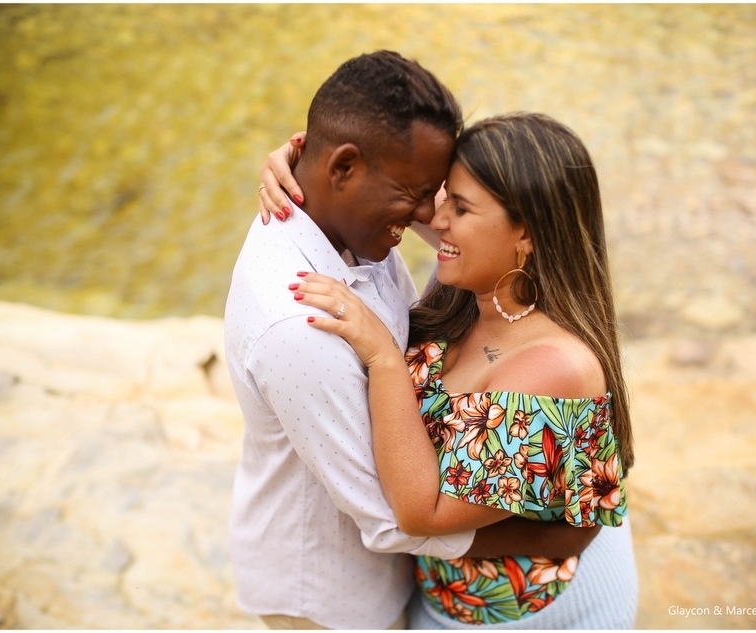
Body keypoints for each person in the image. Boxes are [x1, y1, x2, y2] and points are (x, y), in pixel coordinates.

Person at [227, 51, 610, 630]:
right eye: (424, 193)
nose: (431, 216)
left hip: (485, 596)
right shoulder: (302, 324)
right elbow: (395, 519)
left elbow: (493, 218)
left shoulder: (358, 224)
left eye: (448, 197)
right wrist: (555, 532)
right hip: (333, 597)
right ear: (343, 169)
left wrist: (299, 158)